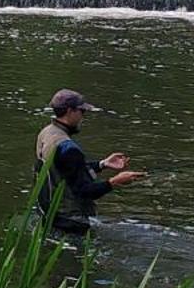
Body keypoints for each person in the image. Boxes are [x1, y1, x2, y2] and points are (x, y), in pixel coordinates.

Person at [33, 89, 145, 232]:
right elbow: (85, 191)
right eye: (82, 112)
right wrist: (115, 181)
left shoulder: (46, 133)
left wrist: (102, 164)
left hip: (48, 214)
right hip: (70, 222)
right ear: (70, 111)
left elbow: (64, 170)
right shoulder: (69, 148)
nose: (83, 117)